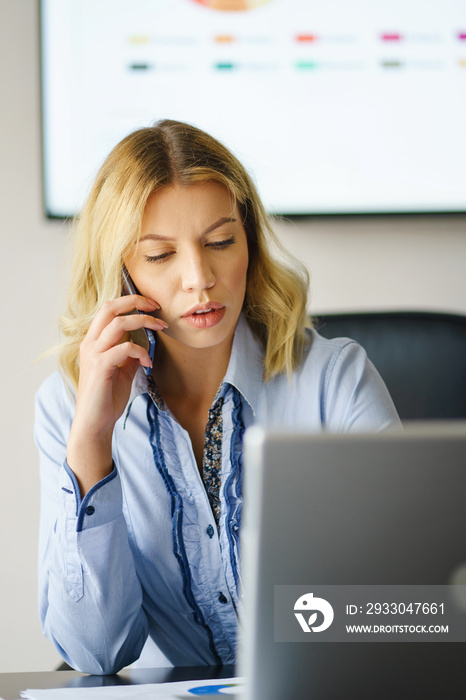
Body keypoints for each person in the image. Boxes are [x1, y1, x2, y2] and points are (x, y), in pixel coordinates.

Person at [35, 119, 400, 675]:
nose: (199, 278)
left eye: (220, 242)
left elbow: (415, 609)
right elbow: (96, 653)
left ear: (248, 244)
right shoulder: (66, 407)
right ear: (122, 273)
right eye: (159, 256)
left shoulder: (334, 380)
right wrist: (91, 444)